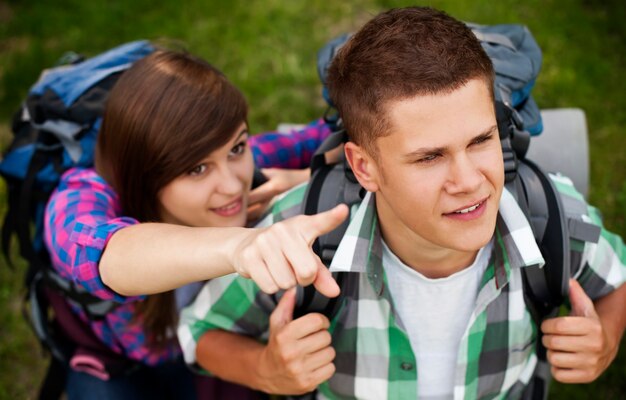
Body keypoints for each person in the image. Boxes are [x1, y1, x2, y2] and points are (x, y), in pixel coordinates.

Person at [178, 6, 626, 399]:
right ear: (364, 167)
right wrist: (265, 370)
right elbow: (199, 332)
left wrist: (606, 338)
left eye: (482, 140)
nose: (470, 182)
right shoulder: (298, 234)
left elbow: (617, 279)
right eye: (430, 157)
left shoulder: (552, 215)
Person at [43, 49, 348, 399]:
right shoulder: (81, 196)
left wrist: (302, 176)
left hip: (206, 345)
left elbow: (340, 133)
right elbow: (102, 254)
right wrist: (240, 246)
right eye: (196, 169)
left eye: (237, 148)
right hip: (116, 361)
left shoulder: (241, 162)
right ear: (145, 171)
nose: (233, 185)